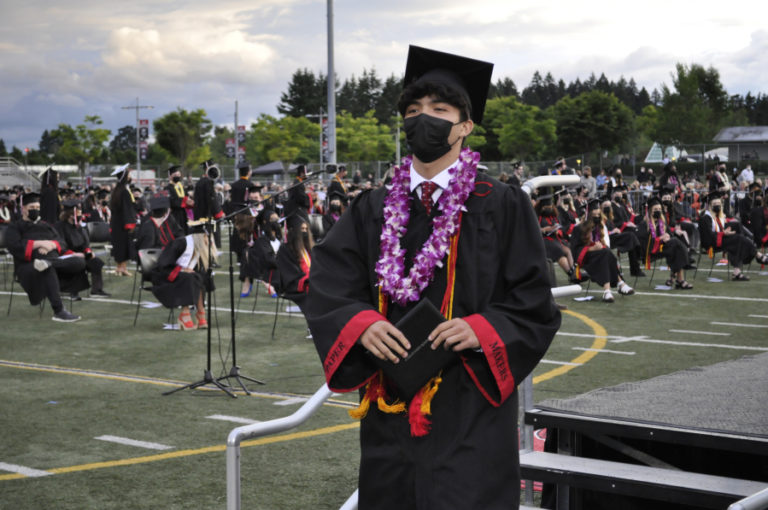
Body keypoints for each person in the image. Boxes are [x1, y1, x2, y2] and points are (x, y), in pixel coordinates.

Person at [305, 46, 560, 510]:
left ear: (465, 126)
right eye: (413, 111)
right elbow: (328, 280)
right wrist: (362, 321)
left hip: (470, 404)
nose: (424, 120)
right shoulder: (374, 208)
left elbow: (534, 301)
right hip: (390, 404)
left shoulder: (500, 204)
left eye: (440, 110)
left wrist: (481, 328)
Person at [6, 192, 86, 322]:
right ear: (23, 209)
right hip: (28, 265)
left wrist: (52, 245)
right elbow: (15, 246)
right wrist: (39, 243)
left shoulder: (45, 225)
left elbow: (61, 243)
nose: (35, 210)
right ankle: (59, 311)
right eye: (32, 208)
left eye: (37, 208)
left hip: (53, 259)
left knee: (79, 261)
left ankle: (48, 262)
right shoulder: (15, 227)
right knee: (46, 269)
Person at [150, 220, 217, 330]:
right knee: (189, 277)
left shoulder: (198, 247)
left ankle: (201, 313)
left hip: (181, 276)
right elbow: (163, 265)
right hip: (163, 276)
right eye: (206, 237)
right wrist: (181, 269)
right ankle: (184, 315)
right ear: (200, 237)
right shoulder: (181, 243)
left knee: (201, 276)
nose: (209, 241)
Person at [570, 199, 635, 302]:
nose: (597, 217)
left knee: (606, 252)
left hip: (600, 256)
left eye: (598, 215)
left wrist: (601, 246)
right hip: (587, 258)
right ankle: (618, 284)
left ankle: (610, 290)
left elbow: (603, 244)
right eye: (594, 215)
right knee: (606, 253)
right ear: (589, 215)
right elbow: (575, 249)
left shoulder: (599, 227)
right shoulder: (578, 229)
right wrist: (591, 248)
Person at [699, 192, 766, 280]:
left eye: (719, 204)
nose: (717, 206)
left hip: (721, 239)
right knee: (739, 239)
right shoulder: (705, 218)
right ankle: (758, 255)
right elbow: (707, 238)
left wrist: (725, 232)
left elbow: (724, 227)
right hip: (712, 243)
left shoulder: (719, 216)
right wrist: (723, 233)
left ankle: (737, 272)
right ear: (709, 205)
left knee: (739, 240)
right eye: (714, 204)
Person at [54, 199, 110, 298]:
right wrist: (73, 254)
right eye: (78, 214)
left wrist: (88, 252)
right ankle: (73, 291)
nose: (80, 216)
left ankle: (96, 290)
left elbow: (85, 243)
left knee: (96, 262)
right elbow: (59, 245)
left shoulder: (78, 227)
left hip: (80, 253)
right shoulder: (59, 227)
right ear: (70, 215)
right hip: (66, 255)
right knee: (78, 263)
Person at [636, 197, 692, 289]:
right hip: (651, 251)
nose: (658, 211)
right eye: (655, 209)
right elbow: (644, 244)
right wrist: (660, 239)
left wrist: (667, 236)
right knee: (676, 245)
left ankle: (676, 279)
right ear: (650, 211)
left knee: (676, 247)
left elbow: (670, 235)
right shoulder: (644, 224)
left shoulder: (662, 222)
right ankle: (678, 279)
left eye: (659, 209)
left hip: (664, 248)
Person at [276, 215, 313, 310]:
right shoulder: (285, 249)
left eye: (306, 229)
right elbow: (290, 273)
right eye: (301, 229)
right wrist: (307, 280)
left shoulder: (308, 248)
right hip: (294, 284)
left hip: (310, 280)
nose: (304, 231)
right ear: (294, 230)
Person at [109, 164, 137, 276]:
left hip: (117, 223)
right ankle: (122, 268)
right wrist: (130, 224)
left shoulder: (118, 190)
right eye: (129, 175)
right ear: (125, 177)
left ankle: (120, 268)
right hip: (123, 223)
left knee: (119, 245)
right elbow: (127, 209)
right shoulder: (124, 191)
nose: (131, 177)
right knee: (123, 245)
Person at [165, 164, 193, 234]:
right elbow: (171, 201)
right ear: (170, 176)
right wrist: (185, 201)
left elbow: (186, 197)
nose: (178, 176)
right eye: (175, 175)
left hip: (183, 214)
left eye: (179, 175)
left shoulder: (181, 187)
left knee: (185, 233)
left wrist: (190, 201)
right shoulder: (167, 188)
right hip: (174, 215)